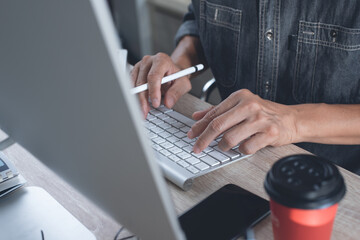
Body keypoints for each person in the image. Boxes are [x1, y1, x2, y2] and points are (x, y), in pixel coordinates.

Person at [131, 1, 360, 173]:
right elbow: (200, 18)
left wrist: (292, 122)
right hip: (228, 158)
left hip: (335, 176)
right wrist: (181, 63)